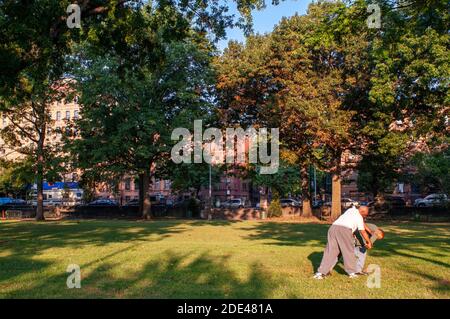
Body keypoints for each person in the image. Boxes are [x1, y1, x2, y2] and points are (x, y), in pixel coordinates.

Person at [313, 206, 372, 279]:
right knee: (348, 251)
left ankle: (320, 273)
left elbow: (361, 223)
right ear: (362, 212)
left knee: (330, 252)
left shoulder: (351, 210)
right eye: (365, 215)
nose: (365, 216)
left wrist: (370, 231)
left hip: (333, 228)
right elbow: (362, 231)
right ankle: (351, 273)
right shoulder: (359, 217)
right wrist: (368, 242)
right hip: (345, 229)